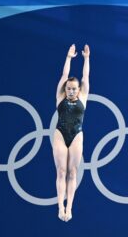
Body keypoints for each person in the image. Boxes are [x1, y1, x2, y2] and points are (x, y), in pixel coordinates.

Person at [53, 44, 90, 221]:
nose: (71, 91)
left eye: (74, 88)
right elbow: (64, 76)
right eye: (68, 88)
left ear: (79, 90)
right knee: (61, 171)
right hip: (60, 133)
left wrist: (86, 59)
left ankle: (70, 207)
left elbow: (86, 77)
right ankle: (60, 207)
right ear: (65, 89)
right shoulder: (60, 97)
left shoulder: (83, 97)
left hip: (77, 134)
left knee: (72, 172)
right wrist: (68, 58)